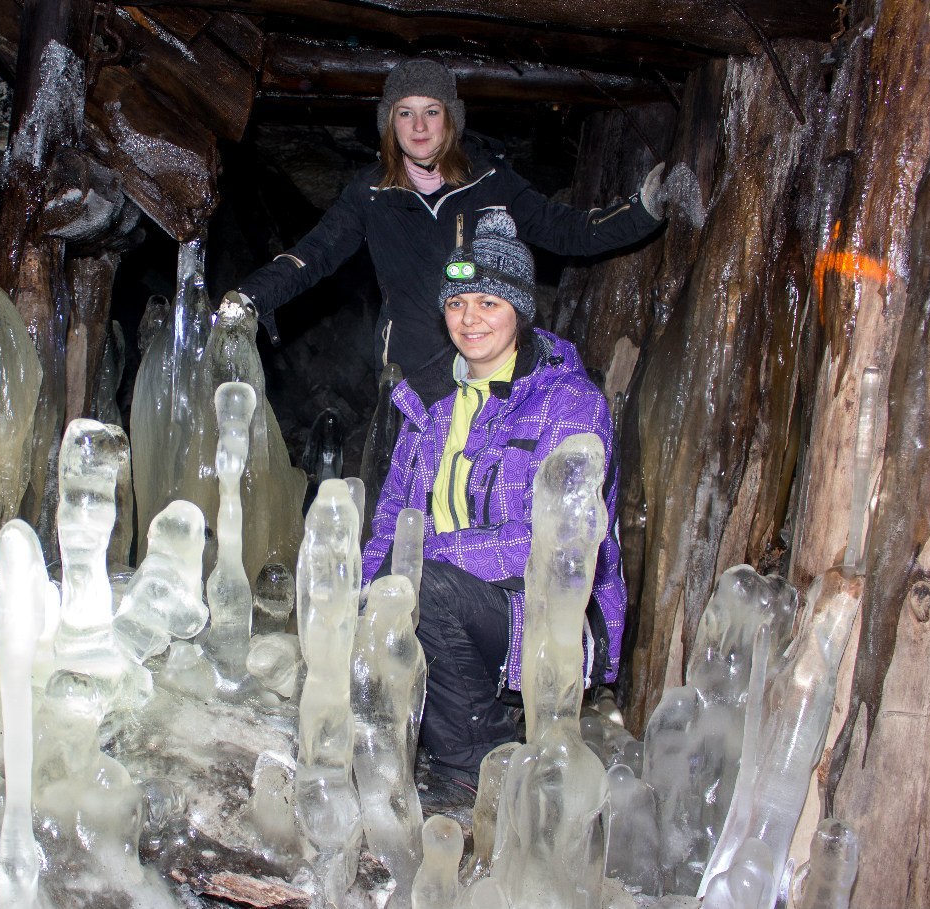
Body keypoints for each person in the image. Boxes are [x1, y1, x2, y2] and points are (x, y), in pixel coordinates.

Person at [360, 209, 626, 787]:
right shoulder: (426, 402)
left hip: (542, 613)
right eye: (457, 304)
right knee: (381, 596)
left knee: (424, 587)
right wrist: (362, 593)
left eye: (489, 304)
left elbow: (549, 543)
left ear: (520, 312)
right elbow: (390, 522)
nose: (469, 319)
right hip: (446, 589)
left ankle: (477, 767)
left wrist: (426, 556)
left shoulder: (567, 404)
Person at [224, 56, 665, 379]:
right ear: (390, 123)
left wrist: (642, 210)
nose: (419, 126)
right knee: (410, 503)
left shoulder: (492, 180)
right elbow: (312, 256)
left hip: (488, 367)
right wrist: (248, 299)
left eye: (431, 111)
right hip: (409, 375)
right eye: (405, 113)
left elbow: (569, 231)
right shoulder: (371, 193)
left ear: (450, 120)